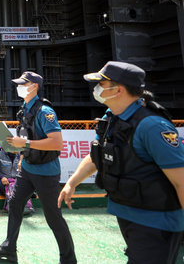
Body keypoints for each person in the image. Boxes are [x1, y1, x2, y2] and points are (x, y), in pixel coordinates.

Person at [58, 61, 184, 264]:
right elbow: (97, 156)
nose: (96, 88)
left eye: (101, 83)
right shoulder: (112, 119)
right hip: (128, 213)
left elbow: (181, 180)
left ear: (118, 90)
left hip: (156, 222)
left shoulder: (152, 126)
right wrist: (72, 183)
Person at [0, 71, 76, 264]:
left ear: (34, 86)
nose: (18, 87)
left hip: (46, 172)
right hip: (27, 169)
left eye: (22, 84)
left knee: (53, 218)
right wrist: (20, 152)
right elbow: (28, 137)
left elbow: (56, 143)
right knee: (15, 204)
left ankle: (69, 260)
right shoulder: (25, 109)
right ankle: (9, 248)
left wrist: (25, 145)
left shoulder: (45, 111)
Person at [0, 149, 34, 214]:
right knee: (7, 186)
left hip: (18, 179)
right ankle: (15, 207)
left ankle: (25, 207)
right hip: (5, 180)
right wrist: (2, 177)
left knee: (25, 185)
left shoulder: (21, 155)